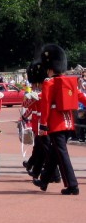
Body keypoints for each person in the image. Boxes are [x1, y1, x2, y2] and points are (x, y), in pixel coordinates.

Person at [33, 44, 86, 195]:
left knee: (62, 155)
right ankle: (44, 180)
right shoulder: (70, 81)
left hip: (56, 124)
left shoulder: (48, 83)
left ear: (50, 68)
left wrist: (43, 125)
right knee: (55, 153)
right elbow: (81, 97)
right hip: (69, 122)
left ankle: (72, 185)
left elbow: (46, 105)